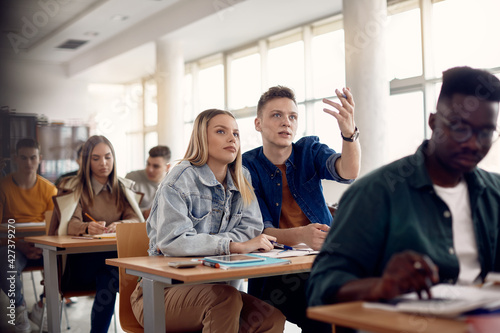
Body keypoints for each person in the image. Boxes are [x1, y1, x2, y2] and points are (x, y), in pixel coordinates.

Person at [308, 67, 500, 314]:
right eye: (460, 128)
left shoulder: (494, 194)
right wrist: (382, 286)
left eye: (485, 133)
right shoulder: (376, 193)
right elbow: (321, 285)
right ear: (433, 123)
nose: (473, 143)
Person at [130, 109, 286, 332]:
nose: (232, 138)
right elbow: (173, 241)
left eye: (236, 133)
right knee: (225, 300)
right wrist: (232, 246)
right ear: (202, 138)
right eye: (221, 131)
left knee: (270, 318)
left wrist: (225, 244)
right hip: (160, 293)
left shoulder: (243, 177)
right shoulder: (179, 178)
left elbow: (252, 230)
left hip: (216, 289)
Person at [242, 86, 361, 332]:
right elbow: (260, 230)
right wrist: (301, 236)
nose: (286, 122)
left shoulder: (308, 151)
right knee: (325, 315)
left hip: (321, 262)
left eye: (292, 117)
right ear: (258, 123)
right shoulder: (246, 167)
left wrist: (349, 134)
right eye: (276, 115)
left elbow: (348, 172)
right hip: (274, 273)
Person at [49, 135, 143, 333]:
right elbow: (70, 224)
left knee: (119, 274)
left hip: (112, 264)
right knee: (109, 277)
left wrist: (121, 224)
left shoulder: (122, 188)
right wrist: (86, 227)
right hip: (80, 266)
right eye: (96, 158)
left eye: (108, 157)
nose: (104, 163)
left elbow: (135, 219)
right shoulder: (74, 187)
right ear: (86, 161)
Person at [0, 138, 57, 333]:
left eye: (33, 158)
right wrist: (20, 244)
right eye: (23, 158)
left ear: (40, 159)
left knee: (63, 263)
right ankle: (19, 311)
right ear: (15, 158)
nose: (28, 163)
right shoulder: (3, 187)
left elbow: (54, 229)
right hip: (12, 245)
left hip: (42, 244)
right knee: (7, 262)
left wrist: (39, 244)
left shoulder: (49, 189)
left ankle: (42, 307)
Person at [126, 145, 171, 219]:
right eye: (148, 164)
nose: (149, 169)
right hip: (136, 225)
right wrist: (144, 213)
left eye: (156, 166)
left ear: (167, 167)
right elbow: (122, 209)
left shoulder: (173, 184)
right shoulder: (132, 179)